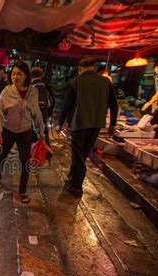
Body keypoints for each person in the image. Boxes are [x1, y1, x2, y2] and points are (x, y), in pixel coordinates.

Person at [56, 57, 118, 195]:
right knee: (83, 154)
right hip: (96, 124)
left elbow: (66, 105)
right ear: (94, 68)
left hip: (79, 123)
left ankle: (76, 186)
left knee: (78, 155)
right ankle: (72, 179)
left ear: (80, 69)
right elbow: (114, 104)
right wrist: (112, 123)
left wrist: (60, 123)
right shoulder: (106, 82)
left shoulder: (76, 82)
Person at [0, 62, 44, 203]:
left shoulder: (33, 92)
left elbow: (36, 113)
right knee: (2, 155)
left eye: (19, 74)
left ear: (26, 75)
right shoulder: (7, 92)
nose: (15, 76)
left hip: (25, 132)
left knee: (25, 161)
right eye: (13, 73)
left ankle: (22, 191)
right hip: (8, 130)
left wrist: (41, 130)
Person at [31, 67, 55, 145]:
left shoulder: (30, 86)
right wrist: (49, 113)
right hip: (44, 111)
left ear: (31, 76)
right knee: (44, 131)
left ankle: (33, 150)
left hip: (32, 112)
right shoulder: (46, 85)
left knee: (32, 131)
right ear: (41, 76)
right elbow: (52, 101)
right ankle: (46, 151)